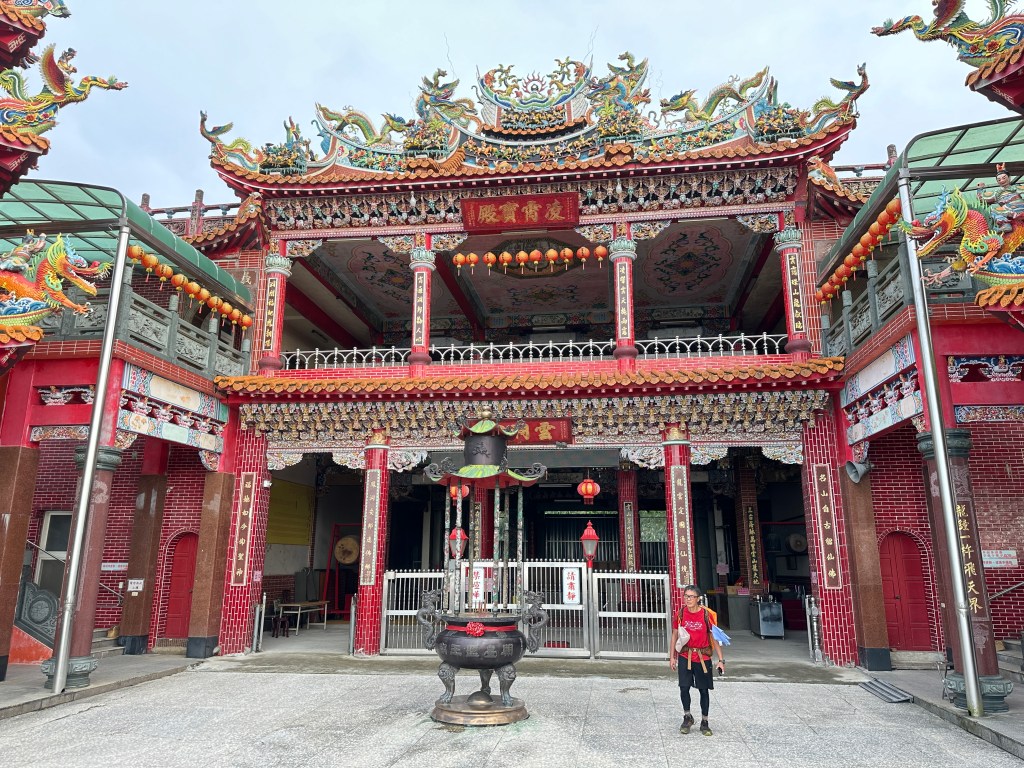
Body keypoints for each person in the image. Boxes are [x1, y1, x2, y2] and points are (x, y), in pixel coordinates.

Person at [669, 585, 725, 736]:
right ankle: (687, 717)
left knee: (703, 690)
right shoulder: (680, 614)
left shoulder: (706, 615)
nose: (688, 599)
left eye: (691, 596)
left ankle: (705, 721)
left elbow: (714, 637)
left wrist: (721, 660)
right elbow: (674, 635)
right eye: (686, 596)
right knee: (684, 687)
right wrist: (672, 657)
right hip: (685, 655)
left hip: (703, 657)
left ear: (698, 598)